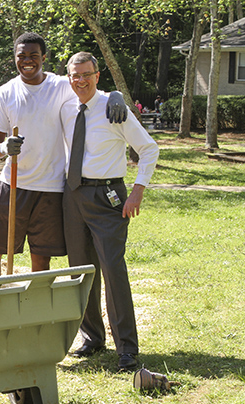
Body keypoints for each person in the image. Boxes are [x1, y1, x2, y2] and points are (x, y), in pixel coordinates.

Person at [0, 32, 127, 281]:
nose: (27, 60)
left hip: (51, 188)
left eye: (33, 55)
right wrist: (5, 147)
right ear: (14, 58)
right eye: (22, 56)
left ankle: (36, 311)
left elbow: (89, 88)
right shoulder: (5, 93)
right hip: (13, 185)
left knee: (41, 257)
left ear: (43, 58)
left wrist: (116, 95)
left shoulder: (60, 86)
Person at [60, 51, 159, 371]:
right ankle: (93, 337)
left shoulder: (114, 109)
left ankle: (127, 349)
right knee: (81, 271)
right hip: (72, 196)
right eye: (75, 76)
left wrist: (138, 191)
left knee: (113, 271)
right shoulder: (65, 104)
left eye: (86, 75)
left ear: (98, 75)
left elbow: (148, 148)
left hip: (107, 198)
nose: (81, 81)